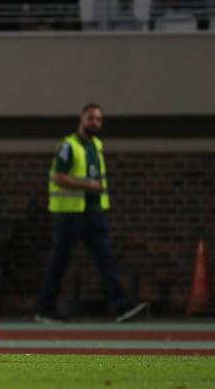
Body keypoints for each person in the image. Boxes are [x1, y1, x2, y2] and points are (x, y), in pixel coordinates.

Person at [35, 104, 149, 324]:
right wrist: (88, 185)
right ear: (82, 119)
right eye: (91, 118)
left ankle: (120, 305)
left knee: (107, 259)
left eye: (98, 119)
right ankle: (45, 308)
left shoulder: (96, 145)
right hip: (70, 214)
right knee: (59, 262)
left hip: (94, 213)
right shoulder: (68, 146)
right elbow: (58, 177)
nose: (94, 123)